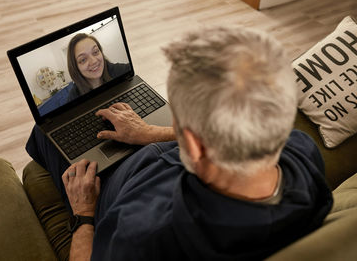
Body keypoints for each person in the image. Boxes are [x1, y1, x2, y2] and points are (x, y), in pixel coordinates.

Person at [26, 26, 333, 260]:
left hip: (121, 188)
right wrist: (148, 133)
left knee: (43, 134)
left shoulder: (143, 230)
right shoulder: (301, 150)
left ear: (196, 144)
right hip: (161, 157)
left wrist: (84, 214)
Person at [66, 33, 130, 102]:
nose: (93, 61)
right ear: (75, 67)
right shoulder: (73, 96)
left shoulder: (118, 71)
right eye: (83, 59)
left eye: (95, 52)